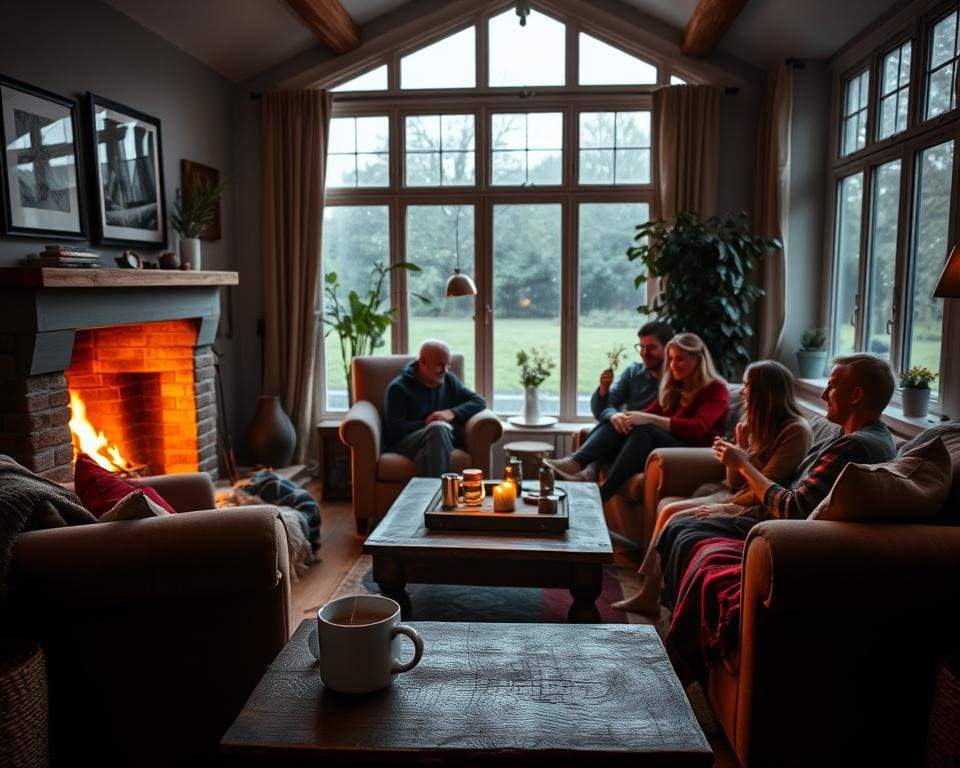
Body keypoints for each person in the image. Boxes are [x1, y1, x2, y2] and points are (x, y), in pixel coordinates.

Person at [655, 353, 898, 610]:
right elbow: (789, 485)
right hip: (771, 515)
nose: (823, 394)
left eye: (832, 386)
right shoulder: (852, 435)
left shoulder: (855, 446)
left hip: (785, 531)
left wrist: (742, 466)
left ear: (856, 395)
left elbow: (793, 508)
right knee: (680, 527)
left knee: (683, 530)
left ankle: (677, 625)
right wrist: (734, 500)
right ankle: (673, 614)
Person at [612, 359, 813, 613]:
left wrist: (728, 500)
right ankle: (649, 592)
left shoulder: (795, 431)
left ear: (765, 390)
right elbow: (733, 482)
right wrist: (740, 448)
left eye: (746, 385)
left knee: (672, 512)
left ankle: (649, 594)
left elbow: (763, 488)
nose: (742, 392)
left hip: (754, 505)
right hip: (737, 492)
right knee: (668, 510)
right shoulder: (756, 423)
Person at [547, 332, 729, 502]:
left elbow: (697, 428)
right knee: (620, 420)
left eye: (679, 359)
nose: (672, 365)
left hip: (689, 452)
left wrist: (648, 419)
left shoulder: (716, 389)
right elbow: (645, 414)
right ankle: (575, 463)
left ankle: (604, 491)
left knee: (644, 430)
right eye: (671, 359)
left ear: (698, 361)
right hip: (666, 445)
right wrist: (621, 417)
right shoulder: (675, 388)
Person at [546, 322, 674, 483]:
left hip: (648, 442)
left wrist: (624, 419)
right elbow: (603, 408)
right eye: (641, 347)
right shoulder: (633, 372)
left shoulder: (676, 378)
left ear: (668, 348)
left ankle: (578, 464)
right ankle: (585, 471)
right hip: (624, 435)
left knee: (623, 424)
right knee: (615, 420)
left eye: (651, 348)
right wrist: (605, 394)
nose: (644, 353)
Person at [384, 339, 487, 477]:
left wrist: (451, 413)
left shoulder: (449, 380)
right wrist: (428, 424)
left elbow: (479, 402)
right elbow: (394, 430)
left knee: (426, 454)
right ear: (423, 362)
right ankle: (442, 495)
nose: (445, 371)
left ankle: (431, 495)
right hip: (404, 442)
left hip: (438, 441)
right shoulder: (398, 388)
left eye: (447, 365)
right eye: (439, 365)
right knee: (438, 429)